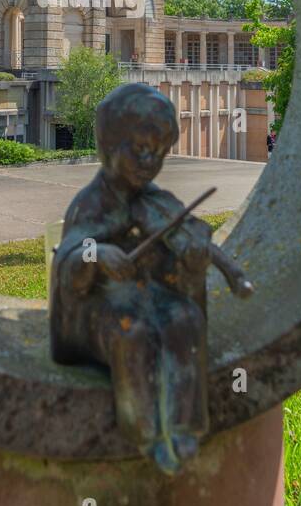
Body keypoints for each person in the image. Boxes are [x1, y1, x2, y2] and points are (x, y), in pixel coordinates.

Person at [50, 83, 251, 474]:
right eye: (139, 150)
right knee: (132, 333)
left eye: (158, 153)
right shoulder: (91, 203)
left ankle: (183, 426)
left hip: (150, 293)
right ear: (109, 146)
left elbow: (190, 242)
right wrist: (98, 255)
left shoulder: (156, 200)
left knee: (186, 320)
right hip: (98, 307)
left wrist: (196, 256)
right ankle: (144, 432)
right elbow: (69, 261)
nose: (149, 162)